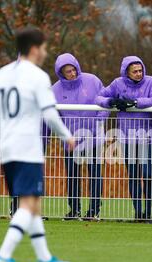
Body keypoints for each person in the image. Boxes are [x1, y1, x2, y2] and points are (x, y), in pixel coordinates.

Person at [0, 27, 76, 262]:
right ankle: (4, 255)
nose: (46, 53)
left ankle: (44, 257)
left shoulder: (1, 75)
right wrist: (66, 136)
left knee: (33, 203)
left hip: (6, 148)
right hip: (28, 147)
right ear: (35, 48)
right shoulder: (38, 77)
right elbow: (50, 112)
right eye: (45, 48)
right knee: (27, 205)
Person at [95, 56, 152, 223]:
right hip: (127, 137)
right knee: (133, 174)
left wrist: (135, 102)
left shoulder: (151, 81)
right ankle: (138, 212)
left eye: (140, 70)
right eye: (135, 71)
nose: (139, 74)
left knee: (148, 174)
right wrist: (111, 101)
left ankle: (148, 211)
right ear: (127, 72)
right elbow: (98, 97)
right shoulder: (117, 83)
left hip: (148, 136)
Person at [52, 53, 109, 221]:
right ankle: (74, 210)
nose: (72, 73)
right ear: (61, 73)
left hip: (94, 138)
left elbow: (105, 102)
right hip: (71, 140)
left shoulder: (93, 80)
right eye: (67, 71)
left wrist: (100, 120)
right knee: (72, 175)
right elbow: (53, 115)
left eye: (73, 69)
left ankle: (94, 210)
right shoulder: (54, 89)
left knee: (95, 174)